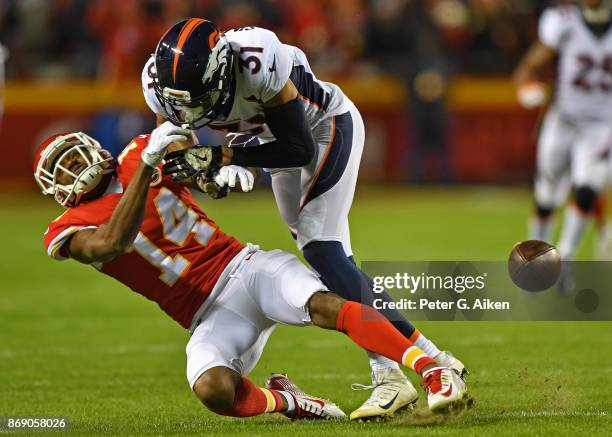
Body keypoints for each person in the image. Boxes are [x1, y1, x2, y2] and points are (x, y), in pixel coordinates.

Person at [141, 18, 466, 420]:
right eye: (180, 101)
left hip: (325, 127)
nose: (189, 109)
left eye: (197, 97)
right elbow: (183, 153)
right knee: (331, 260)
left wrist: (228, 156)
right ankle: (392, 373)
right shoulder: (162, 85)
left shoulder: (256, 59)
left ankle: (434, 363)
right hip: (267, 143)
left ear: (222, 70)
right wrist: (210, 174)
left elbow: (297, 147)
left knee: (322, 249)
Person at [34, 124, 469, 421]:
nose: (76, 169)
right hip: (208, 315)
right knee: (213, 389)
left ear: (94, 148)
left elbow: (200, 175)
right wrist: (147, 166)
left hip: (243, 266)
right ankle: (288, 402)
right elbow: (113, 242)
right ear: (55, 189)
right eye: (65, 169)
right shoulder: (68, 229)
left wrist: (221, 176)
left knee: (326, 305)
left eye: (75, 158)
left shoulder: (137, 154)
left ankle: (431, 369)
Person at [514, 0, 612, 286]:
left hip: (600, 123)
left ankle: (565, 258)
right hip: (563, 119)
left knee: (587, 188)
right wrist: (527, 84)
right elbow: (530, 65)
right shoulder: (564, 20)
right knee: (546, 195)